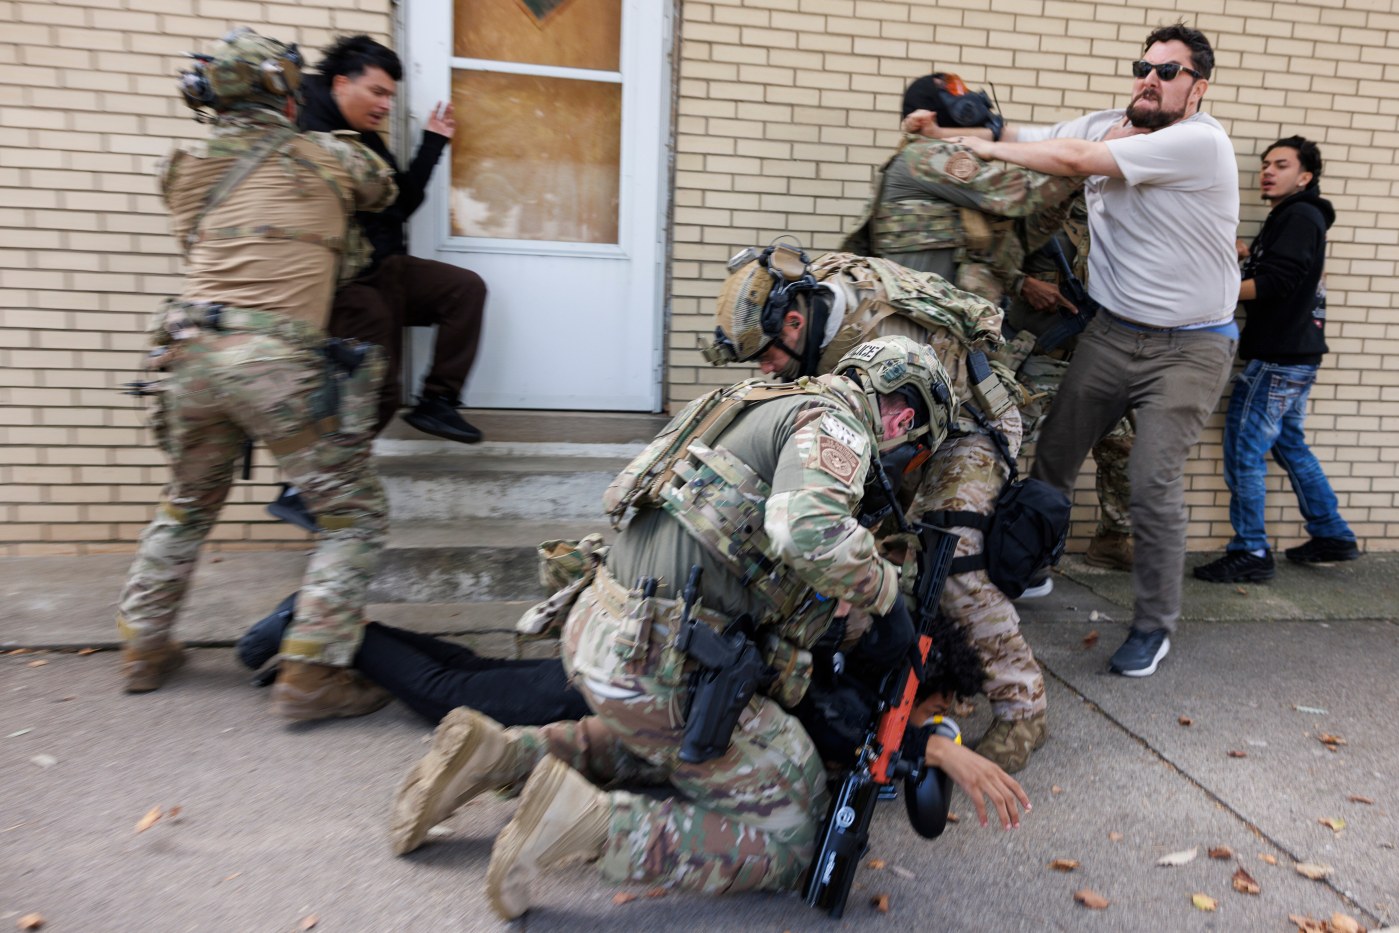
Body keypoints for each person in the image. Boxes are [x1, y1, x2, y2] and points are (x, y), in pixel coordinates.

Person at [388, 336, 1012, 919]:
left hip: (600, 627)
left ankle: (497, 755)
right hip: (656, 655)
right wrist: (884, 594)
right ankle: (589, 823)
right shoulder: (836, 425)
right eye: (912, 451)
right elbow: (808, 532)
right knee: (793, 831)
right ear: (901, 419)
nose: (901, 465)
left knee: (685, 746)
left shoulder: (753, 401)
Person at [917, 22, 1240, 677]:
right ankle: (1033, 563)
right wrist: (942, 130)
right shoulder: (1104, 124)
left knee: (1151, 482)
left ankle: (1153, 624)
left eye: (1168, 72)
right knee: (1052, 460)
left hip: (1190, 346)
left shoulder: (1199, 143)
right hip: (1114, 332)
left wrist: (992, 145)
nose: (1149, 80)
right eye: (1143, 68)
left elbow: (1069, 160)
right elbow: (1019, 136)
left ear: (1197, 87)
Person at [115, 28, 399, 721]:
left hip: (188, 355)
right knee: (353, 516)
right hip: (273, 364)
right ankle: (312, 675)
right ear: (285, 92)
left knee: (187, 504)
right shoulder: (330, 157)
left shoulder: (183, 169)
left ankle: (143, 647)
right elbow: (382, 189)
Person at [703, 244, 1049, 774]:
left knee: (950, 554)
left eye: (766, 353)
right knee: (868, 554)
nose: (765, 367)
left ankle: (1022, 708)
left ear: (794, 322)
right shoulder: (816, 327)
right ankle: (929, 679)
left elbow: (902, 428)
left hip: (966, 424)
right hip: (897, 433)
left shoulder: (878, 332)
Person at [269, 36, 488, 528]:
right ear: (340, 84)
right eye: (378, 92)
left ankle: (437, 402)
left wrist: (432, 143)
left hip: (387, 265)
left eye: (390, 95)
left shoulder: (361, 135)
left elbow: (399, 203)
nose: (386, 105)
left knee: (464, 289)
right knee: (379, 390)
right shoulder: (303, 131)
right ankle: (302, 487)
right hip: (346, 283)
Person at [1194, 136, 1359, 582]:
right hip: (1297, 354)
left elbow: (1277, 284)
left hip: (1279, 357)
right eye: (1266, 164)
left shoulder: (1299, 216)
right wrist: (1244, 259)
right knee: (1289, 444)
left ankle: (1250, 550)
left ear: (1305, 177)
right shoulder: (1294, 217)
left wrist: (1209, 292)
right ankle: (1331, 532)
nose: (1267, 171)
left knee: (1243, 451)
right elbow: (1283, 275)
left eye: (1281, 165)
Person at [1002, 194, 1135, 572]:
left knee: (1125, 448)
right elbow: (987, 262)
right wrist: (1023, 283)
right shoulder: (1040, 210)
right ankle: (980, 538)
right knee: (999, 445)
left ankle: (1114, 540)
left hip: (1097, 363)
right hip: (1038, 361)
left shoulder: (1122, 215)